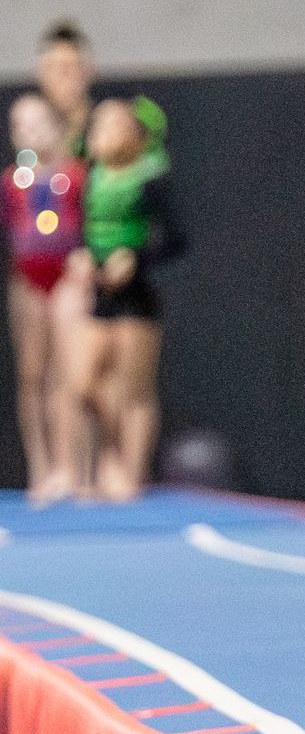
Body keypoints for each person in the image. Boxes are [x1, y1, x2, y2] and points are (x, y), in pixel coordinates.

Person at [70, 97, 185, 503]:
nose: (105, 134)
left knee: (133, 391)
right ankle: (112, 457)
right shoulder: (90, 177)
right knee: (83, 382)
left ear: (135, 136)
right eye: (99, 126)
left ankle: (131, 476)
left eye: (116, 125)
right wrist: (81, 254)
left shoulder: (150, 178)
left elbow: (175, 239)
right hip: (99, 292)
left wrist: (135, 260)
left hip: (136, 294)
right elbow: (79, 229)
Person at [3, 91, 86, 494]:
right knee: (33, 372)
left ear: (56, 126)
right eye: (18, 126)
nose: (27, 133)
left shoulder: (74, 174)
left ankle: (69, 467)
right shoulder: (11, 182)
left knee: (68, 372)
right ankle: (40, 467)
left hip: (66, 275)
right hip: (26, 278)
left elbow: (88, 223)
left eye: (36, 123)